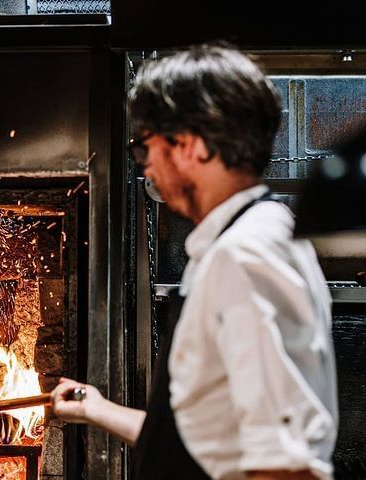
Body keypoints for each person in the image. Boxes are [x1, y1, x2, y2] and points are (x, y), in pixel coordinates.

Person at [50, 44, 338, 480]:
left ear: (194, 146)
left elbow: (287, 465)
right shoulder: (254, 234)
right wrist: (96, 409)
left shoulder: (244, 256)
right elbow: (210, 444)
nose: (145, 168)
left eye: (146, 147)